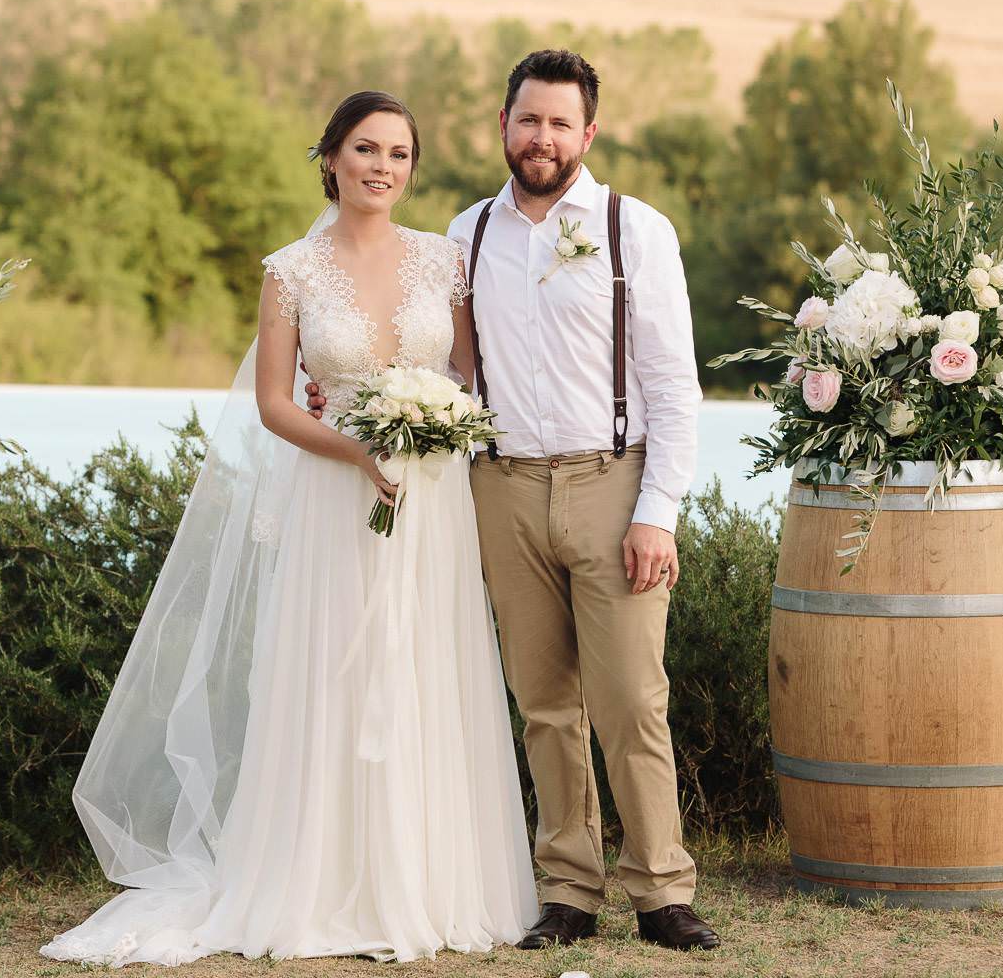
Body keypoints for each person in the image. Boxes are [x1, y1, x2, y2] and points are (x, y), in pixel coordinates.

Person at [40, 91, 537, 966]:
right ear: (332, 157)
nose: (382, 167)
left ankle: (430, 881)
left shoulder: (444, 260)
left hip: (430, 502)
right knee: (333, 671)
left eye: (399, 154)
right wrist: (357, 450)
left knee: (426, 668)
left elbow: (467, 369)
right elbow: (274, 403)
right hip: (333, 497)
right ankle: (321, 879)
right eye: (366, 149)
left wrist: (436, 423)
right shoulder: (291, 272)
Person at [307, 51, 719, 951]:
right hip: (498, 487)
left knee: (631, 698)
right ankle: (568, 890)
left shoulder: (636, 230)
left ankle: (662, 891)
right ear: (503, 125)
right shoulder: (465, 235)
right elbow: (443, 364)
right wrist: (339, 392)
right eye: (528, 120)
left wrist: (658, 510)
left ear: (588, 133)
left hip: (612, 481)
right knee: (543, 702)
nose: (542, 138)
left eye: (560, 123)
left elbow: (673, 384)